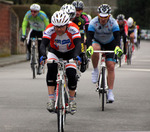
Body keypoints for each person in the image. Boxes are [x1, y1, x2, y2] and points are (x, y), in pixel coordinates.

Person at [40, 10, 81, 114]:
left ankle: (72, 101)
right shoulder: (50, 28)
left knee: (71, 74)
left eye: (61, 27)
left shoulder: (73, 28)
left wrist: (77, 56)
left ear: (67, 25)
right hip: (55, 52)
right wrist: (43, 56)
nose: (58, 29)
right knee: (51, 68)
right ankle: (51, 99)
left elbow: (78, 44)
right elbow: (43, 44)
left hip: (70, 52)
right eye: (56, 27)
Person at [86, 4, 123, 102]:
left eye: (105, 17)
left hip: (110, 43)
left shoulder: (113, 22)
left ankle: (110, 91)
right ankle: (95, 70)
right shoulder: (93, 22)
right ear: (98, 15)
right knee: (94, 48)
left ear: (109, 16)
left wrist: (118, 47)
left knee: (110, 66)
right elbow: (89, 37)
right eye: (101, 17)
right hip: (97, 42)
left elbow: (117, 36)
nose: (103, 19)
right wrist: (89, 46)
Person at [21, 3, 49, 74]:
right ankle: (29, 53)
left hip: (41, 31)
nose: (33, 13)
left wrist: (47, 35)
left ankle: (39, 66)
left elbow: (48, 26)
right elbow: (24, 24)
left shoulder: (42, 15)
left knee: (41, 48)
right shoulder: (28, 14)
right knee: (28, 41)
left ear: (38, 11)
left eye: (35, 12)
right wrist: (23, 34)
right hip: (33, 30)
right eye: (32, 11)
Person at [71, 0, 90, 73]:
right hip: (71, 35)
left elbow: (88, 29)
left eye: (79, 10)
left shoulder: (84, 17)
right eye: (76, 10)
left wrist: (87, 39)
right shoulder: (70, 16)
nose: (77, 12)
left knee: (81, 51)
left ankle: (82, 58)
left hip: (80, 36)